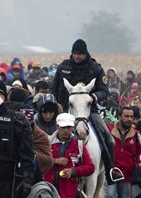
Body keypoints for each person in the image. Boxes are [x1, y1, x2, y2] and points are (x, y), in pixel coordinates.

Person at [51, 39, 123, 183]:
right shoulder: (63, 67)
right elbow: (54, 87)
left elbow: (104, 91)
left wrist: (93, 97)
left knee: (108, 138)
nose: (76, 56)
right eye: (74, 53)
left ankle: (110, 171)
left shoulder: (95, 68)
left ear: (85, 54)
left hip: (89, 110)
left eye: (79, 54)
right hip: (66, 109)